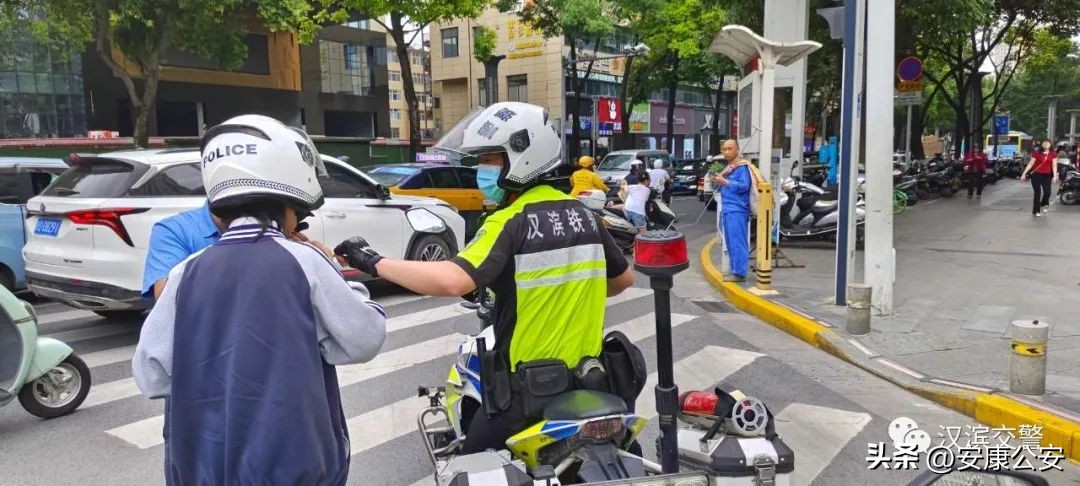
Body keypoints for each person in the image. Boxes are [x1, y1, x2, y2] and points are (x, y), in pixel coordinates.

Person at [333, 102, 636, 453]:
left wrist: (372, 261)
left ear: (522, 157)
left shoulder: (510, 221)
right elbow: (622, 280)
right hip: (591, 381)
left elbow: (452, 280)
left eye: (490, 160)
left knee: (471, 461)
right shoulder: (584, 214)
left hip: (527, 394)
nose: (482, 170)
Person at [132, 114, 387, 485]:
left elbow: (151, 376)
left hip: (203, 469)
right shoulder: (305, 260)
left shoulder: (185, 271)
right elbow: (364, 339)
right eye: (299, 216)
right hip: (294, 465)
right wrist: (339, 275)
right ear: (289, 199)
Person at [711, 140, 753, 282]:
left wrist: (726, 182)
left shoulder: (742, 167)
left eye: (730, 149)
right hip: (728, 209)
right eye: (724, 149)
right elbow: (717, 183)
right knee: (730, 242)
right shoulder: (729, 168)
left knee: (737, 242)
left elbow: (744, 186)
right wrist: (722, 175)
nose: (727, 152)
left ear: (737, 150)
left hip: (737, 209)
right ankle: (735, 270)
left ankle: (740, 273)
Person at [1020, 139, 1060, 217]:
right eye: (1045, 143)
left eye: (1048, 143)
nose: (1046, 145)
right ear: (1042, 144)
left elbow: (1054, 165)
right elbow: (1031, 164)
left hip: (1047, 176)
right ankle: (1036, 210)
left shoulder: (1053, 153)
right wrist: (1024, 174)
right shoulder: (1036, 153)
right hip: (1036, 175)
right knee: (1037, 193)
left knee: (1047, 192)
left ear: (1050, 145)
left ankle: (1044, 204)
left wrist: (1055, 176)